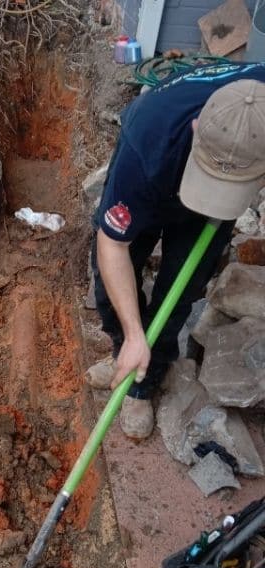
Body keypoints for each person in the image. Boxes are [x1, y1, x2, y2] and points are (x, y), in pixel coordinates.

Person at [86, 62, 265, 440]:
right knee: (111, 280)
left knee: (181, 289)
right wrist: (135, 334)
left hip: (224, 174)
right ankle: (127, 351)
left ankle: (144, 382)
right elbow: (112, 244)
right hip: (161, 169)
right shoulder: (147, 146)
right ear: (197, 127)